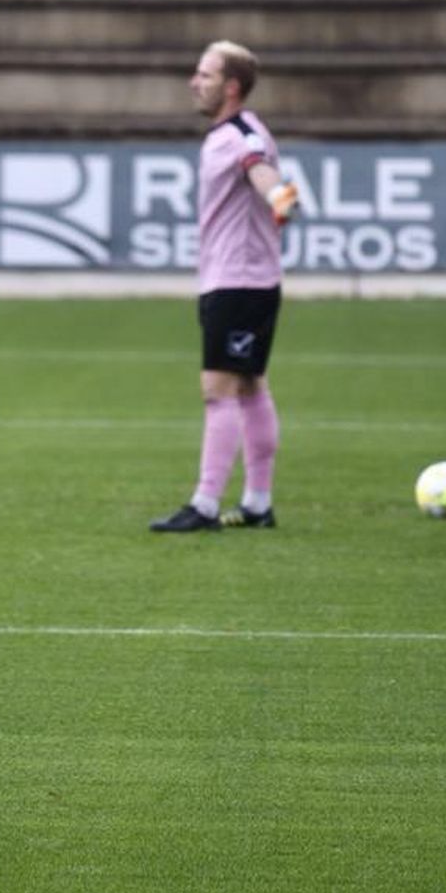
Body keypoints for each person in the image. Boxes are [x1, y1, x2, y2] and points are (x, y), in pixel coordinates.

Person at [151, 40, 299, 533]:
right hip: (237, 279)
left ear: (231, 87)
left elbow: (261, 169)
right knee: (251, 384)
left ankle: (206, 504)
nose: (195, 82)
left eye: (206, 75)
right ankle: (258, 503)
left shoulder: (240, 135)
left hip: (239, 281)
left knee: (218, 389)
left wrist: (280, 196)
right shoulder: (229, 133)